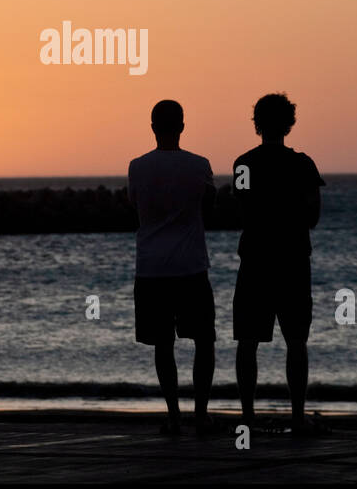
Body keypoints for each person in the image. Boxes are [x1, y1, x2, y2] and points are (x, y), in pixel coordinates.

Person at [232, 93, 325, 435]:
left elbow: (239, 211)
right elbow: (313, 215)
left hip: (256, 260)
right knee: (296, 341)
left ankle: (247, 418)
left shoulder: (243, 165)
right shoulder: (303, 165)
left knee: (247, 341)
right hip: (293, 261)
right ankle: (298, 418)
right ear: (290, 123)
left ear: (256, 123)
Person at [127, 99, 217, 436]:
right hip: (191, 266)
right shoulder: (200, 165)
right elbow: (210, 205)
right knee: (203, 340)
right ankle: (201, 413)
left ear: (152, 127)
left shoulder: (137, 167)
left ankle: (174, 415)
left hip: (151, 269)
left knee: (163, 345)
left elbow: (134, 206)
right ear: (182, 126)